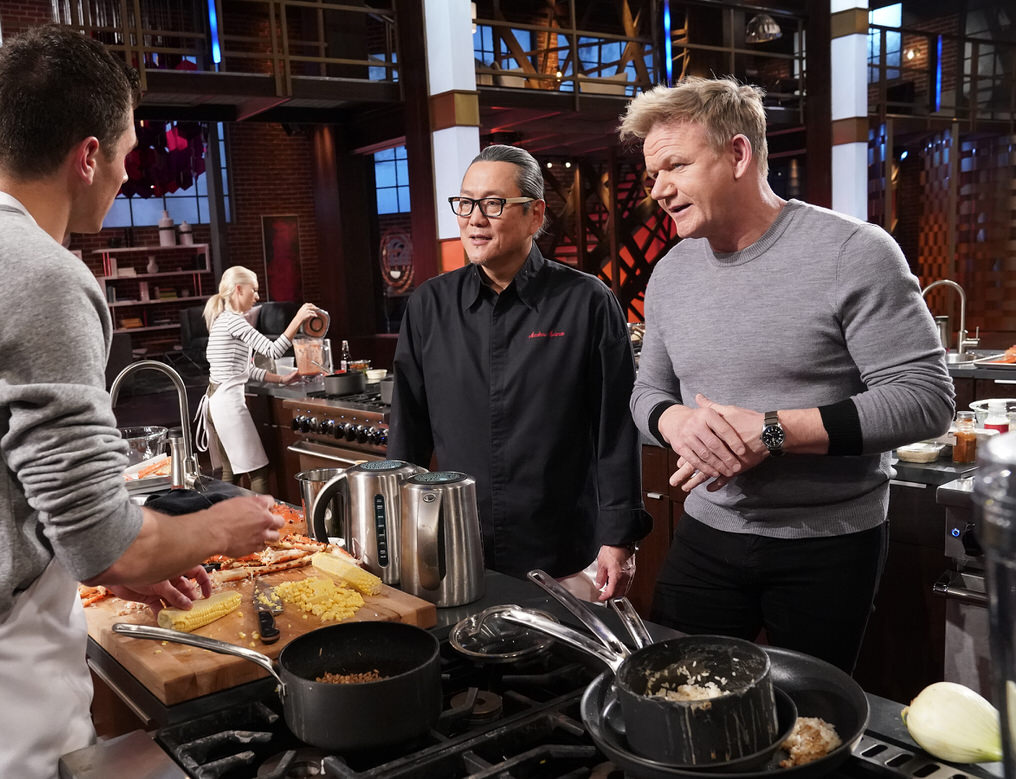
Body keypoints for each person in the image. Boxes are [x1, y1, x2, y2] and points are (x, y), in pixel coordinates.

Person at [0, 25, 283, 778]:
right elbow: (104, 539)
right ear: (87, 155)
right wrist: (226, 524)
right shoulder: (37, 272)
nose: (123, 171)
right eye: (124, 149)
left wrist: (115, 566)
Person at [621, 77, 954, 672]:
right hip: (709, 531)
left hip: (828, 543)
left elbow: (925, 399)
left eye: (675, 166)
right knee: (674, 691)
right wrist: (675, 422)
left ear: (738, 155)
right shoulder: (670, 271)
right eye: (653, 175)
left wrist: (770, 432)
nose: (660, 190)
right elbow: (646, 392)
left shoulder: (853, 252)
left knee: (806, 727)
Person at [388, 144, 650, 601]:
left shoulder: (586, 301)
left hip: (563, 552)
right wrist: (398, 530)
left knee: (567, 671)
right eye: (465, 203)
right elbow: (407, 428)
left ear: (534, 215)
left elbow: (616, 428)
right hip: (454, 549)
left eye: (493, 204)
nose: (474, 218)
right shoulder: (429, 305)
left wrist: (620, 537)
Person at [199, 266, 319, 493]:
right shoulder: (235, 321)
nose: (257, 296)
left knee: (231, 473)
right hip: (227, 405)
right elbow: (273, 351)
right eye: (253, 290)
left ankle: (226, 524)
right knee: (259, 472)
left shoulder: (221, 320)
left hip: (214, 403)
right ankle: (262, 526)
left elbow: (246, 369)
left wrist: (281, 379)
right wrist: (297, 319)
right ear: (238, 289)